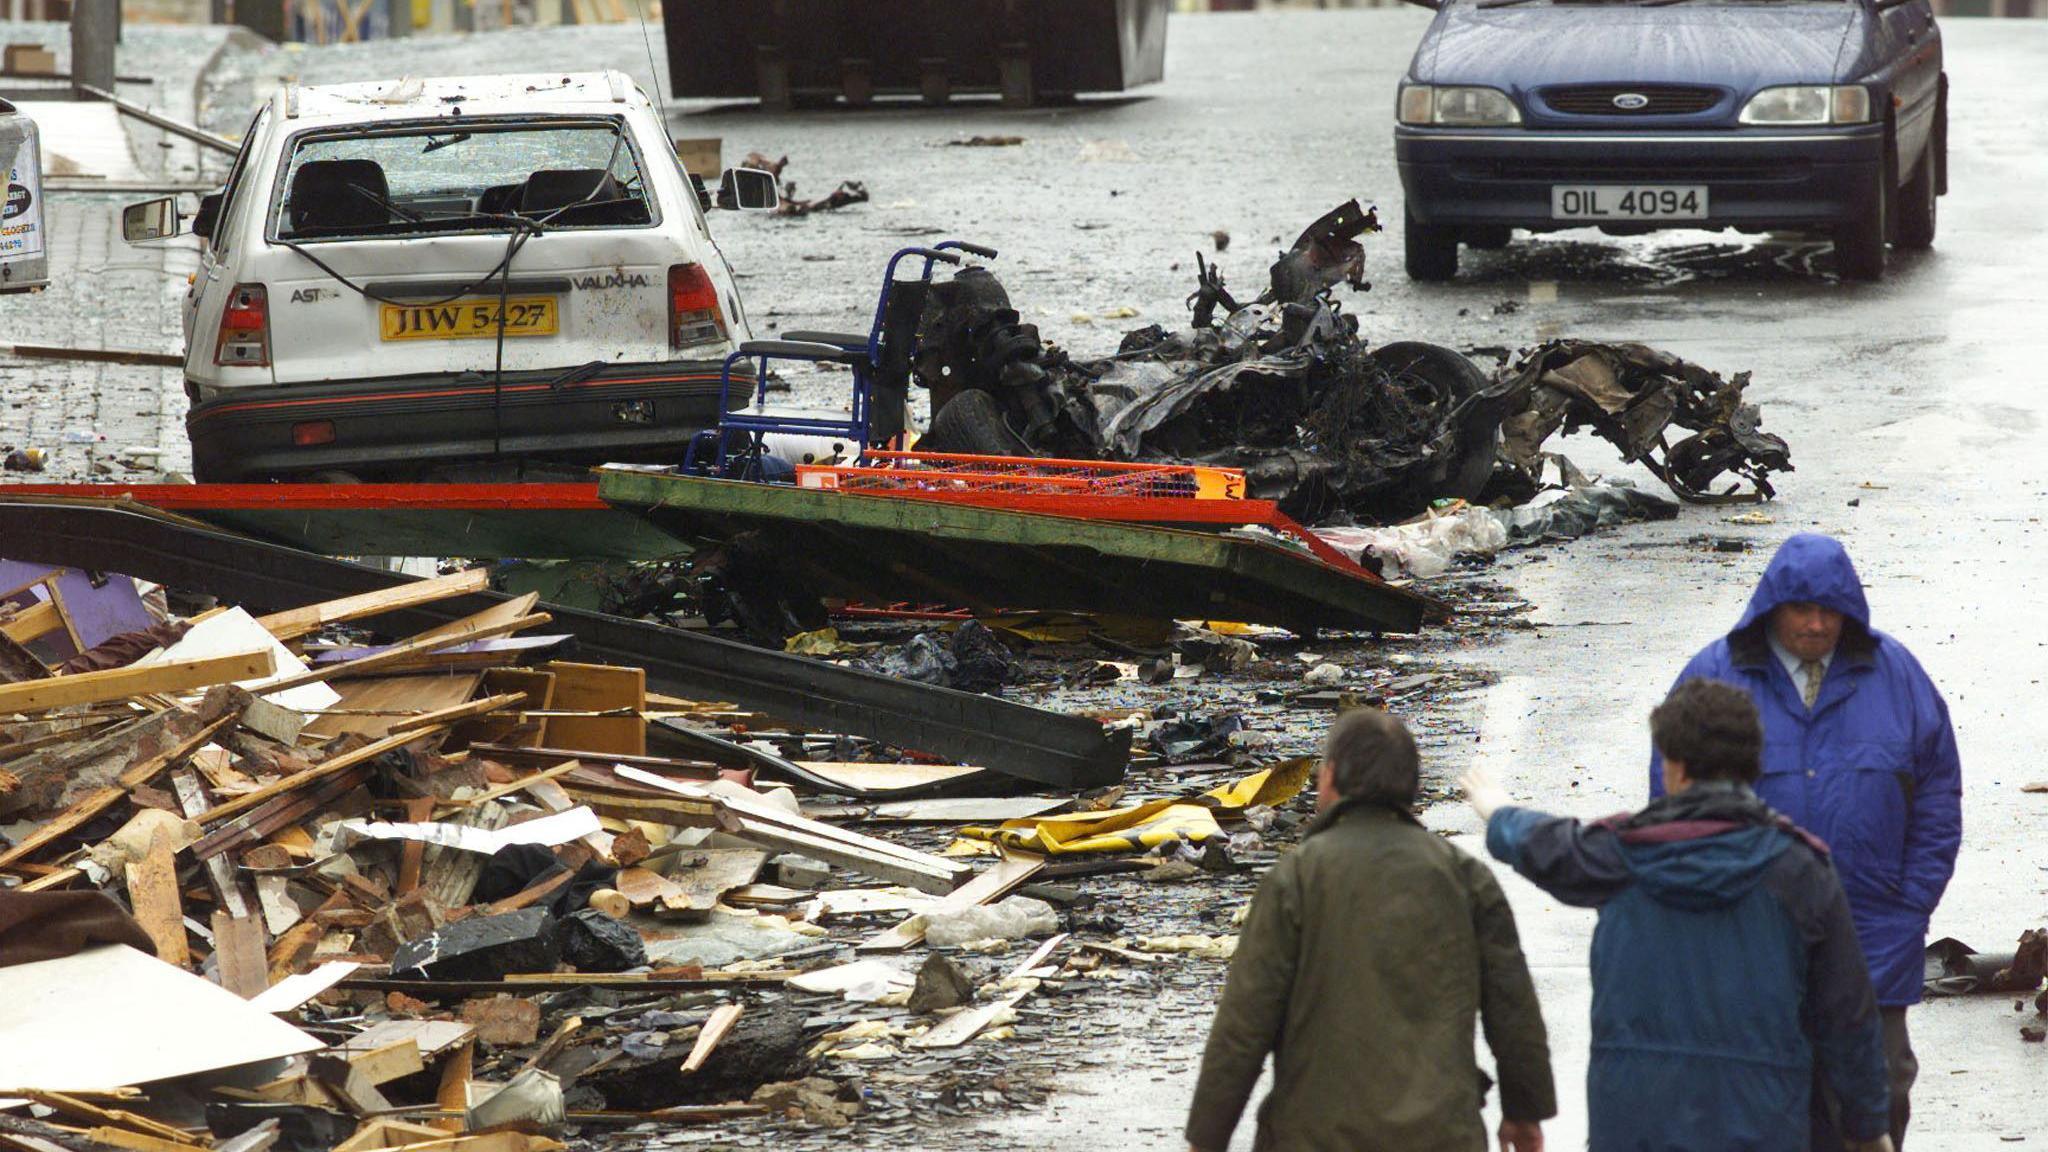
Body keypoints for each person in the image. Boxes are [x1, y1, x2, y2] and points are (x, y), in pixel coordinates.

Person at [1469, 678, 1893, 1152]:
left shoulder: (1617, 856)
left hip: (1635, 1125)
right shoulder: (1800, 871)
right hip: (1762, 1122)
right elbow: (1847, 1017)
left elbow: (1544, 843)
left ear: (1673, 765)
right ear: (1753, 766)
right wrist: (1867, 1125)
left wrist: (1496, 809)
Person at [1654, 533, 1960, 1149]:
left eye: (1830, 610)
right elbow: (1674, 810)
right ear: (1772, 608)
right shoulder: (1715, 676)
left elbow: (1936, 797)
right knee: (1764, 1107)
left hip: (1874, 933)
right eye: (1802, 610)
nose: (1817, 624)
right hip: (1751, 943)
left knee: (1876, 1095)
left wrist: (1911, 905)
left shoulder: (1897, 676)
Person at [1185, 708, 1555, 1152]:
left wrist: (1208, 1138)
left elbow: (1244, 1023)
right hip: (1442, 1135)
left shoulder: (1296, 879)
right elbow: (1513, 1009)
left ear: (1331, 778)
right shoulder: (1466, 878)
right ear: (1411, 786)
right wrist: (1524, 1112)